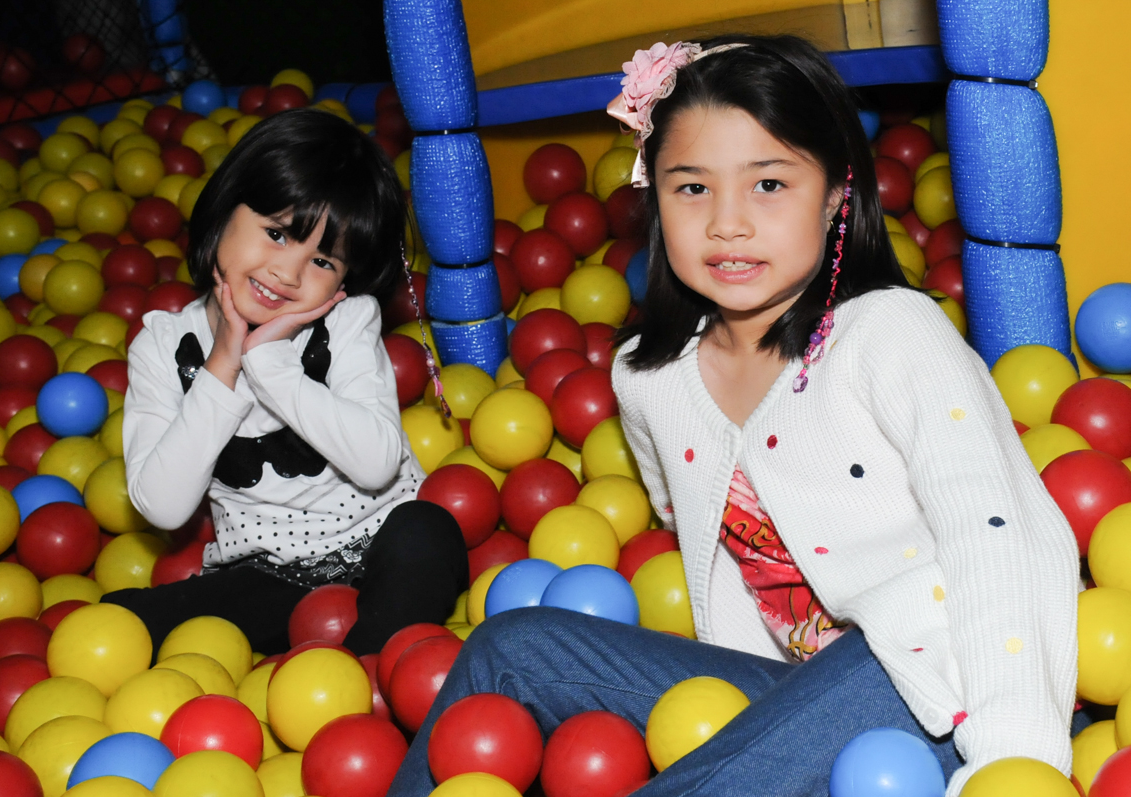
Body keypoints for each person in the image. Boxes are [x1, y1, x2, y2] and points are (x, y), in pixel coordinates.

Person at [386, 35, 1078, 796]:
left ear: (838, 195)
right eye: (692, 188)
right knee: (508, 647)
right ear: (654, 199)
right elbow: (688, 508)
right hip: (788, 698)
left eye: (770, 184)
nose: (728, 223)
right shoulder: (649, 378)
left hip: (949, 680)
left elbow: (998, 534)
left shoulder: (891, 333)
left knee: (880, 651)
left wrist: (1015, 761)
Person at [106, 108, 468, 657]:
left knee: (429, 529)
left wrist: (271, 362)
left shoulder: (347, 320)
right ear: (225, 210)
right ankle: (353, 660)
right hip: (272, 576)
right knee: (122, 622)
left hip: (381, 543)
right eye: (276, 234)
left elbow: (376, 462)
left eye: (322, 260)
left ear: (345, 277)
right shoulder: (161, 347)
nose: (288, 273)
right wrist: (223, 366)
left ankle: (370, 670)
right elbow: (163, 507)